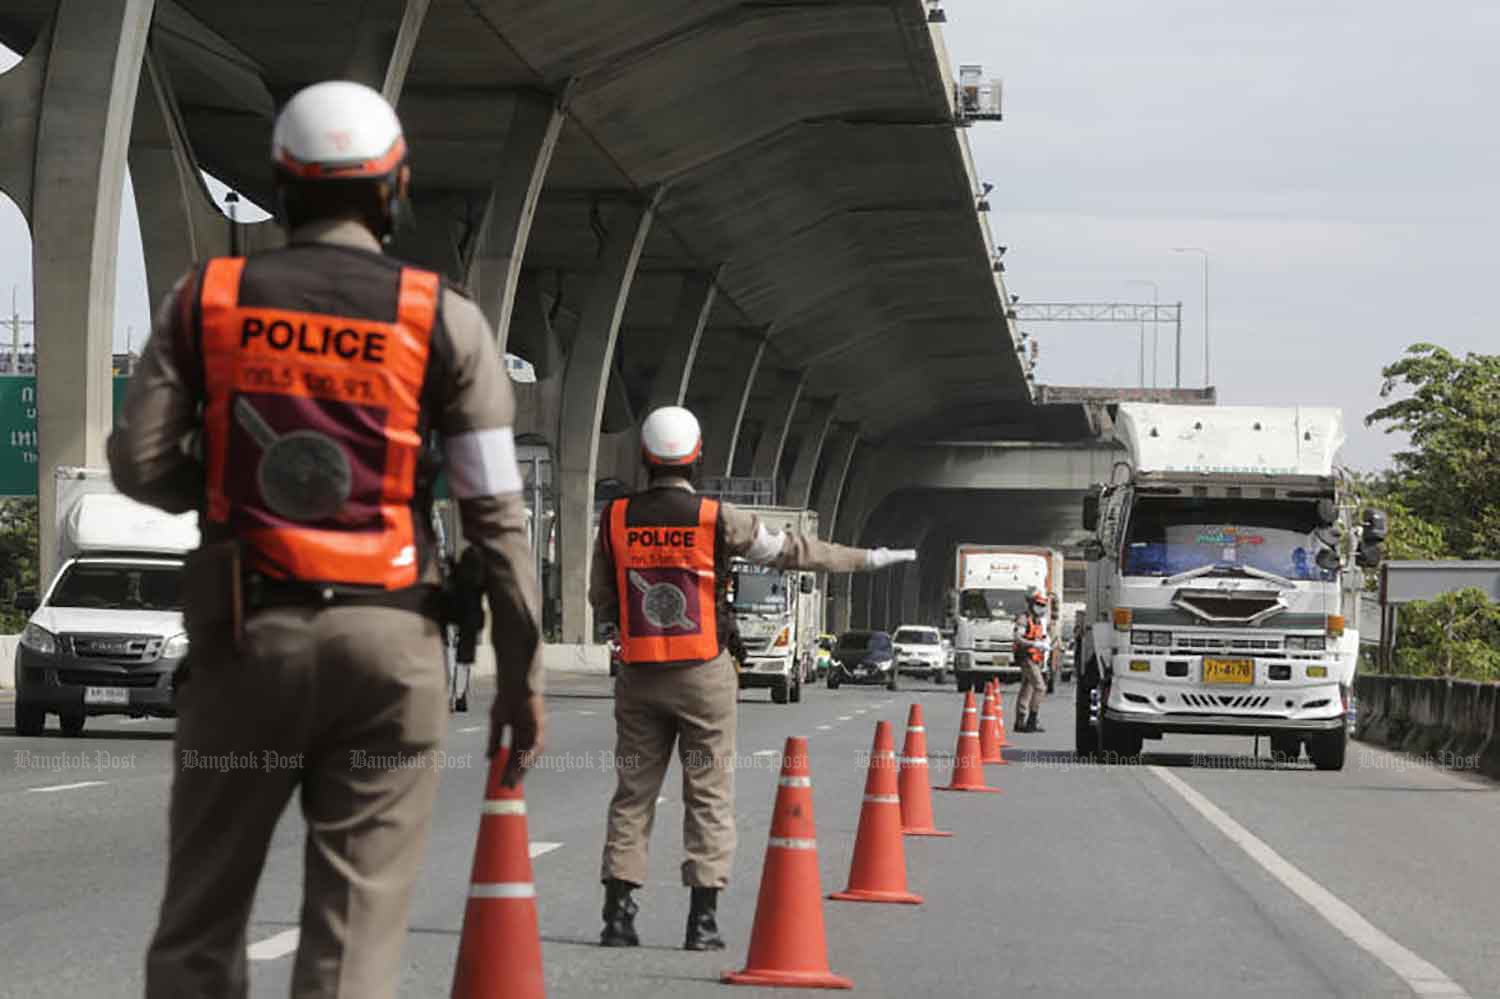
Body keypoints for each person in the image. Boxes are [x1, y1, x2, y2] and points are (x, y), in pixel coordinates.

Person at [107, 79, 546, 999]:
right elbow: (497, 518)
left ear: (283, 184)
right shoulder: (444, 320)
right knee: (350, 944)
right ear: (393, 191)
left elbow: (139, 462)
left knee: (199, 928)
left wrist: (236, 491)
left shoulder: (210, 299)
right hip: (392, 648)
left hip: (246, 638)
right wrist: (521, 676)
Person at [589, 405, 915, 951]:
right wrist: (868, 558)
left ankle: (618, 917)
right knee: (708, 793)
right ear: (696, 459)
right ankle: (702, 922)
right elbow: (794, 552)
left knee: (633, 794)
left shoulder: (616, 518)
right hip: (703, 674)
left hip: (641, 673)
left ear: (646, 458)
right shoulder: (719, 519)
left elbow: (602, 596)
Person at [1013, 588, 1051, 732]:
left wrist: (1044, 642)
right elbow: (1018, 638)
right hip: (1026, 657)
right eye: (1038, 604)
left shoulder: (1038, 620)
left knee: (1027, 689)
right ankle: (1032, 720)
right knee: (1040, 687)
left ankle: (1020, 720)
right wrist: (1034, 644)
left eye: (1043, 605)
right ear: (1031, 603)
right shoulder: (1024, 618)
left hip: (1036, 658)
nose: (1041, 608)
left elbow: (1039, 636)